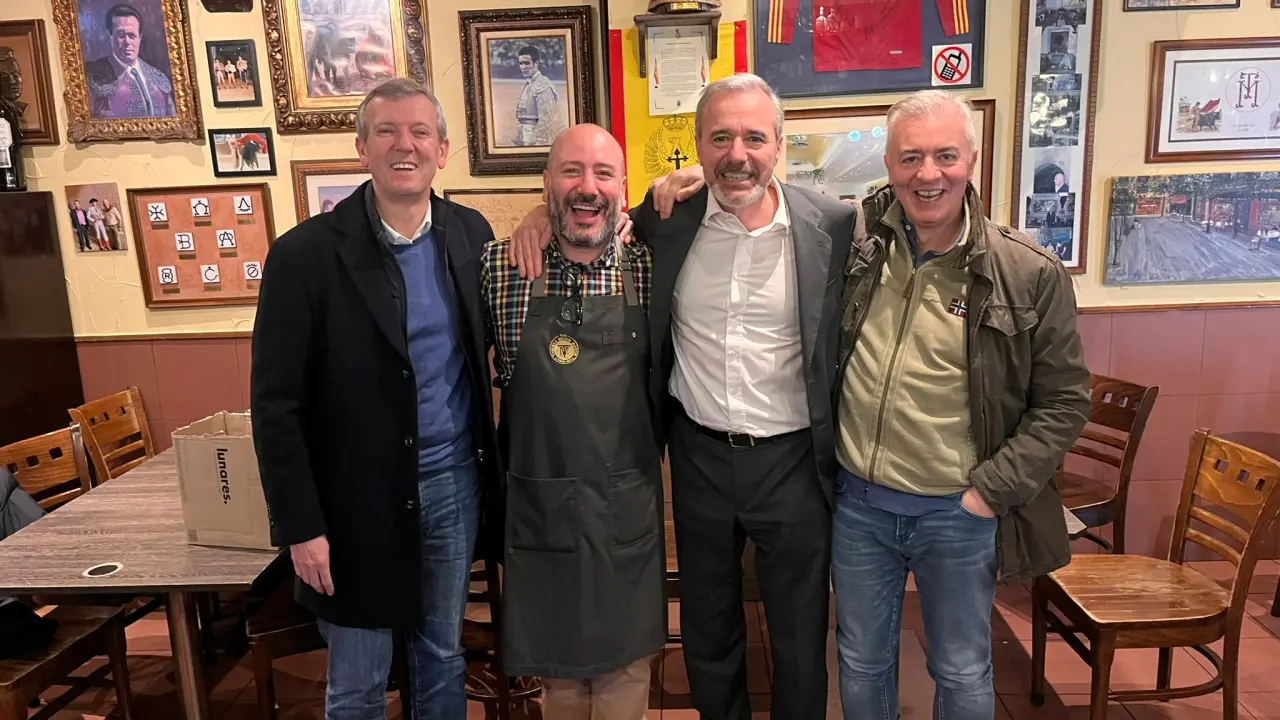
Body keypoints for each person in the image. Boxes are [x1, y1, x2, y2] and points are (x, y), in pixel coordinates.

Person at [509, 72, 857, 720]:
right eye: (720, 138)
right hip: (699, 458)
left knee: (800, 633)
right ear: (697, 144)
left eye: (754, 138)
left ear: (779, 144)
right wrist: (537, 214)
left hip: (793, 464)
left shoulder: (832, 225)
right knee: (707, 626)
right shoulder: (669, 220)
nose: (737, 154)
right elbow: (591, 211)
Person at [831, 90, 1090, 719]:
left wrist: (989, 493)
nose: (928, 174)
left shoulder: (1027, 272)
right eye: (910, 157)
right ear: (889, 164)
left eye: (945, 155)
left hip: (959, 513)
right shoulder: (855, 243)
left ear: (972, 159)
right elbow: (767, 199)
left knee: (962, 669)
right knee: (860, 663)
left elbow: (1064, 401)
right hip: (859, 506)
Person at [250, 77, 497, 720]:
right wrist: (301, 527)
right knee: (359, 678)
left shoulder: (470, 235)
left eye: (420, 132)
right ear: (362, 148)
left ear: (442, 149)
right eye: (386, 131)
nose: (404, 145)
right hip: (352, 502)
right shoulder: (304, 256)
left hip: (451, 486)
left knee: (441, 656)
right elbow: (275, 407)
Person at [483, 123, 664, 720]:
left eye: (603, 173)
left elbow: (710, 193)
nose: (588, 187)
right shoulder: (501, 269)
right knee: (556, 677)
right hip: (542, 514)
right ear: (546, 184)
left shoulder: (652, 266)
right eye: (571, 172)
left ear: (623, 187)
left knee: (624, 675)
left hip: (625, 510)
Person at [84, 4, 176, 119]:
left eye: (132, 35)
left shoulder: (157, 77)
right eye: (120, 35)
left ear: (140, 37)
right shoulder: (92, 78)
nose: (127, 42)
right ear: (110, 37)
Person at [511, 45, 565, 147]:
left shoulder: (543, 85)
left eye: (527, 63)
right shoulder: (529, 83)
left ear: (536, 63)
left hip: (534, 138)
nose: (523, 67)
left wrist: (540, 143)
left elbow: (546, 119)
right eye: (521, 63)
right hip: (524, 134)